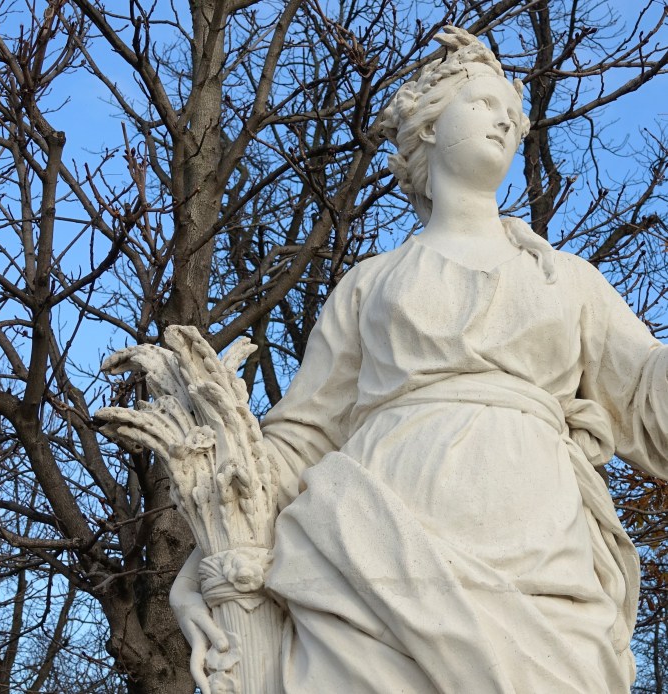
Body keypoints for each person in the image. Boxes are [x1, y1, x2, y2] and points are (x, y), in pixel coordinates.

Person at [172, 26, 668, 693]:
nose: (505, 120)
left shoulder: (566, 279)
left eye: (511, 113)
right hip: (370, 546)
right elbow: (303, 437)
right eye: (483, 103)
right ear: (429, 126)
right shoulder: (371, 284)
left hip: (539, 545)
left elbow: (646, 396)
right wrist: (212, 539)